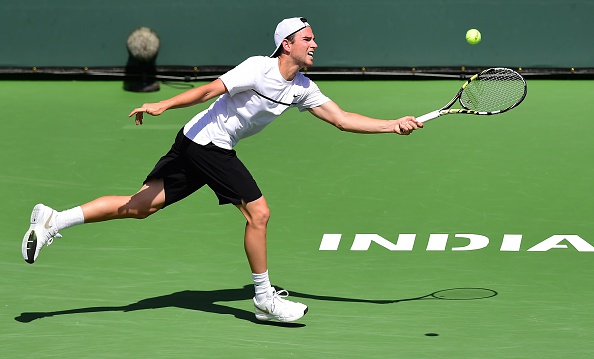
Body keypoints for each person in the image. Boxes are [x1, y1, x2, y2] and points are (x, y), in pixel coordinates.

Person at [21, 17, 422, 323]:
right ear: (287, 44)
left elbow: (341, 118)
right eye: (308, 39)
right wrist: (163, 104)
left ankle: (55, 220)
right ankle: (264, 298)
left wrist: (393, 124)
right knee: (258, 213)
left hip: (197, 142)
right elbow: (209, 90)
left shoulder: (302, 86)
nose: (315, 44)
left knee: (139, 205)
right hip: (207, 142)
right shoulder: (256, 69)